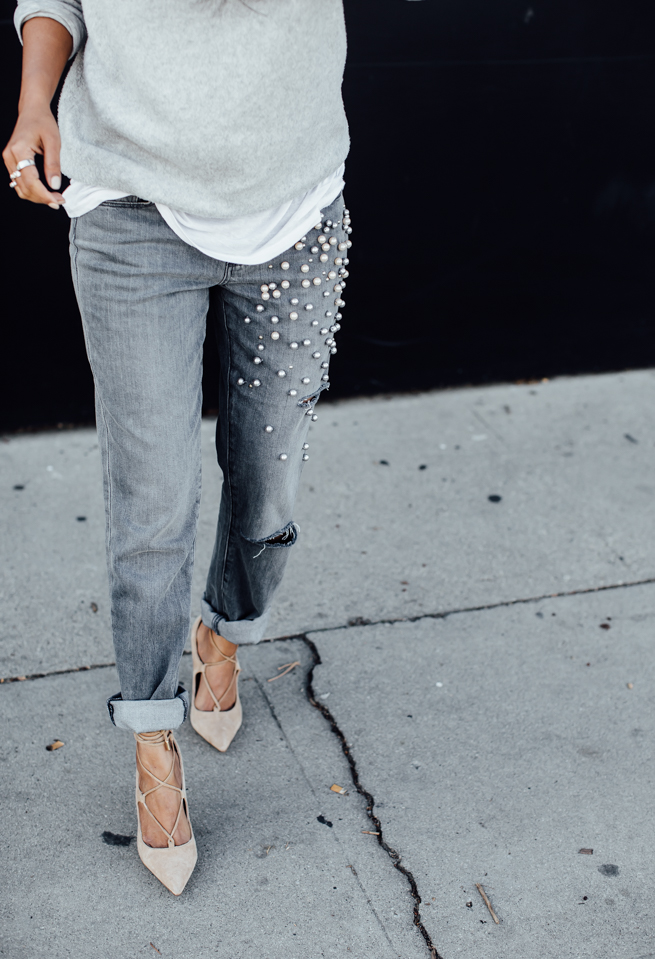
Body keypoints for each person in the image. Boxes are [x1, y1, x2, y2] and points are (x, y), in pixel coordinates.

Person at [4, 0, 351, 895]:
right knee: (152, 506)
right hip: (131, 209)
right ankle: (153, 738)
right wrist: (35, 101)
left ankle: (223, 629)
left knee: (268, 490)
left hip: (293, 208)